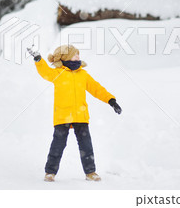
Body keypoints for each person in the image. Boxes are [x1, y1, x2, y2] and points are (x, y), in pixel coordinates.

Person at [27, 44, 122, 182]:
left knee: (86, 145)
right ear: (65, 57)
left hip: (80, 116)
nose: (78, 56)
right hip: (63, 115)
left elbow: (96, 88)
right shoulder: (58, 73)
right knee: (58, 145)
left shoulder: (83, 74)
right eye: (74, 54)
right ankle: (50, 172)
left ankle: (90, 173)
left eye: (78, 54)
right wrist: (38, 59)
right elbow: (45, 72)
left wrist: (111, 100)